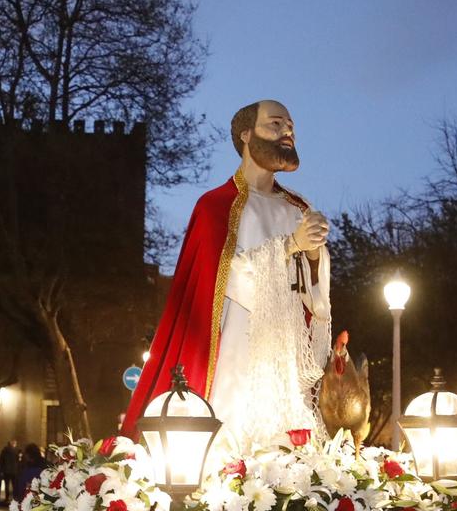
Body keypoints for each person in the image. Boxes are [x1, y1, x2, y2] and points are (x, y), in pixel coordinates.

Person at [120, 100, 332, 454]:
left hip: (287, 346)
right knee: (233, 434)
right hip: (237, 340)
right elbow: (223, 277)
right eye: (276, 124)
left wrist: (312, 255)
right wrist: (290, 245)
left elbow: (313, 295)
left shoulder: (298, 207)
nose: (287, 132)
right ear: (246, 135)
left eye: (291, 126)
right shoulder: (216, 206)